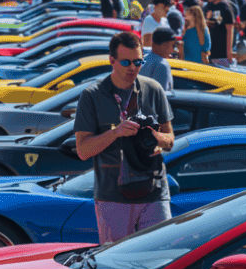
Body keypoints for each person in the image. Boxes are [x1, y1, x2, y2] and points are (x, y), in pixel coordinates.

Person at [73, 31, 175, 244]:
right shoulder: (93, 95)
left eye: (138, 62)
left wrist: (155, 136)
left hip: (154, 190)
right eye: (126, 62)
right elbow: (83, 151)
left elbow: (170, 140)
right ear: (112, 60)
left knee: (160, 254)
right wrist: (116, 132)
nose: (133, 68)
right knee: (117, 260)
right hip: (113, 196)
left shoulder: (153, 89)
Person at [203, 0, 236, 67]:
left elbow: (230, 30)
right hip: (209, 51)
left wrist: (229, 53)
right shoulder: (209, 6)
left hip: (221, 53)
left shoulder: (225, 7)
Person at [139, 27, 175, 92]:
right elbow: (162, 94)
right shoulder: (162, 65)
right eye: (172, 45)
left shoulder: (143, 60)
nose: (173, 50)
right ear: (164, 45)